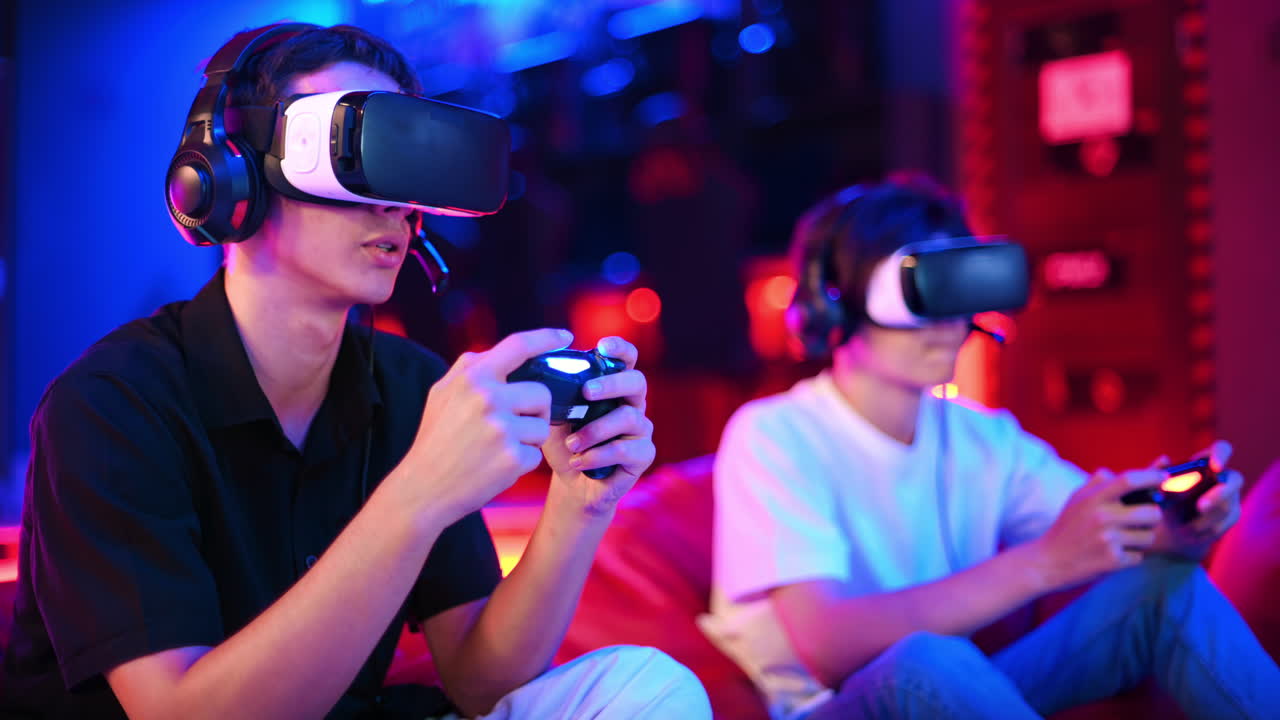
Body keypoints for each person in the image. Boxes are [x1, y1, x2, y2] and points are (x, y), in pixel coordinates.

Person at [2, 24, 710, 720]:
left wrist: (578, 503)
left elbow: (481, 683)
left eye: (406, 167)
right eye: (353, 154)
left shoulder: (410, 389)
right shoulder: (112, 405)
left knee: (642, 685)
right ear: (229, 176)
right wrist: (418, 493)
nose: (394, 203)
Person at [698, 175, 1280, 719]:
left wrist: (1177, 528)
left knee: (1160, 590)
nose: (949, 321)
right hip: (837, 707)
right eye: (921, 289)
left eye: (959, 286)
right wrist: (1044, 562)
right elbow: (830, 646)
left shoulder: (982, 437)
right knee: (926, 658)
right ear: (834, 302)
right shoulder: (775, 434)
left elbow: (1093, 531)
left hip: (955, 692)